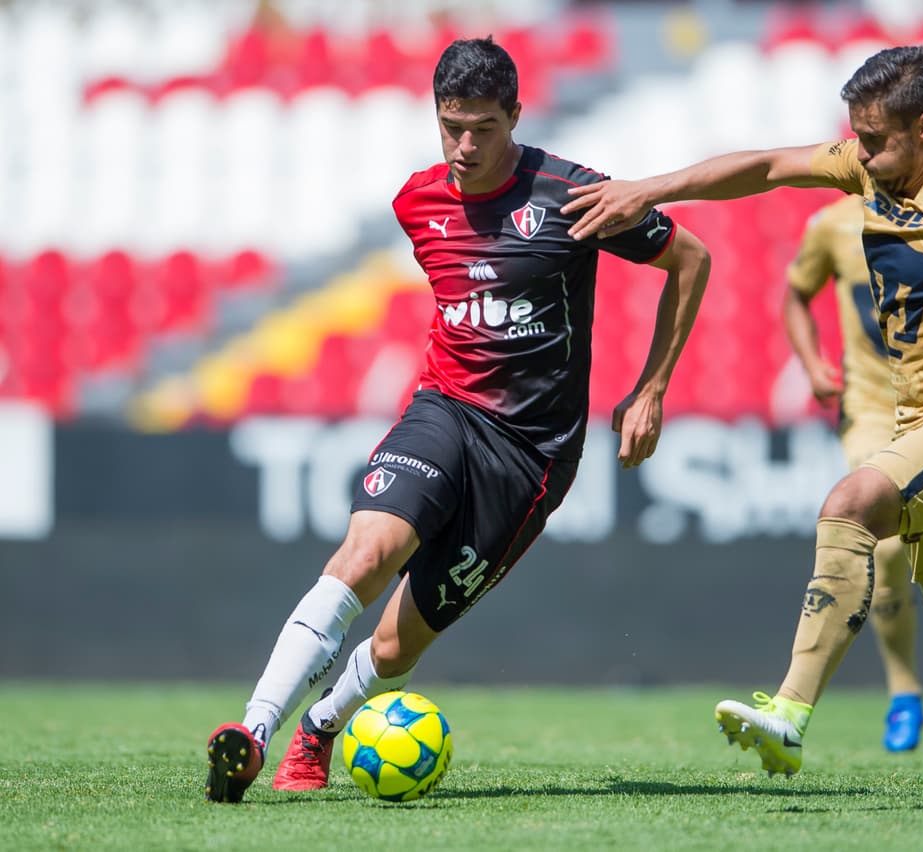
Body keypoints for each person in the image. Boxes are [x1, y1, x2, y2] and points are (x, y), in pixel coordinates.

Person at [564, 45, 923, 803]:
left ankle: (789, 712)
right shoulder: (872, 166)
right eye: (855, 136)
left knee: (850, 502)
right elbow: (762, 168)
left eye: (876, 138)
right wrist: (649, 188)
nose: (860, 152)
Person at [204, 36, 712, 803]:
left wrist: (652, 388)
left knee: (396, 643)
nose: (465, 145)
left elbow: (692, 259)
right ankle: (256, 728)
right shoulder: (418, 202)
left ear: (515, 115)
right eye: (451, 126)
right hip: (444, 410)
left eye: (483, 126)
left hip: (532, 456)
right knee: (367, 549)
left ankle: (323, 726)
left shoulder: (574, 195)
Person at [781, 194, 923, 755]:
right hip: (869, 412)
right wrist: (813, 362)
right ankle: (904, 691)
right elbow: (796, 293)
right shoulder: (833, 224)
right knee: (885, 545)